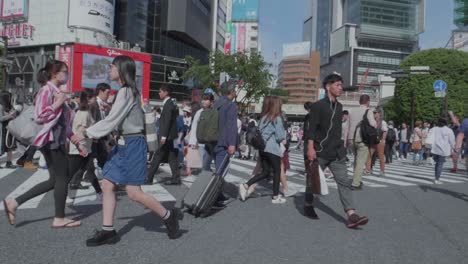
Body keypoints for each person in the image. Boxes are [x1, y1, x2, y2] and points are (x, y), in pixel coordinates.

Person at [71, 55, 181, 246]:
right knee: (107, 183)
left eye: (112, 66)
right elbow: (117, 119)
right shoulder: (126, 92)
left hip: (132, 144)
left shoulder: (126, 91)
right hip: (124, 143)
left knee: (133, 192)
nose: (109, 69)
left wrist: (86, 133)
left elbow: (111, 120)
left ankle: (168, 216)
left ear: (121, 70)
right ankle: (108, 231)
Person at [3, 60, 83, 228]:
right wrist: (57, 103)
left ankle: (14, 202)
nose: (66, 75)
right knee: (62, 178)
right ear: (55, 74)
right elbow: (40, 116)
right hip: (51, 140)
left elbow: (61, 122)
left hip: (57, 139)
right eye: (64, 71)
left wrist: (74, 138)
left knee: (54, 179)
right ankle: (59, 218)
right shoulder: (46, 91)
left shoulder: (56, 91)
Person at [304, 73, 368, 228]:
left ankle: (351, 215)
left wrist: (342, 147)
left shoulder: (339, 107)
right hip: (319, 151)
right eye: (338, 85)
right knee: (313, 181)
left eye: (341, 85)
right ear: (328, 86)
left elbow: (337, 130)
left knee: (344, 182)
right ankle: (308, 204)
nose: (340, 88)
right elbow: (311, 129)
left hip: (336, 152)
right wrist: (310, 148)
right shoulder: (318, 106)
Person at [238, 96, 287, 204]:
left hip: (262, 148)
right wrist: (283, 138)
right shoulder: (277, 118)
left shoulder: (263, 118)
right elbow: (279, 136)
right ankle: (275, 196)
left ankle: (246, 185)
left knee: (265, 172)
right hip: (272, 148)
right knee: (277, 171)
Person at [68, 89, 102, 198]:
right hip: (79, 149)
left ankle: (99, 192)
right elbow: (81, 129)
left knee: (90, 170)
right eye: (93, 98)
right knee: (70, 174)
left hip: (85, 147)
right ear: (87, 100)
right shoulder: (83, 113)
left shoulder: (86, 112)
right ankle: (62, 194)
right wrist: (91, 134)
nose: (95, 99)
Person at [211, 80, 238, 208]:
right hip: (223, 142)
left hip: (212, 140)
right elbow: (231, 125)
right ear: (231, 92)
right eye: (234, 90)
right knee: (221, 172)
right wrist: (232, 144)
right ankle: (213, 198)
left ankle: (219, 194)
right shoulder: (230, 105)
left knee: (216, 169)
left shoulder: (216, 103)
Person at [146, 85, 180, 185]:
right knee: (171, 157)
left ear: (166, 93)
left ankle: (149, 179)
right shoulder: (170, 103)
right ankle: (176, 178)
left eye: (160, 91)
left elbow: (167, 121)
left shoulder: (169, 104)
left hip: (166, 136)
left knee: (157, 156)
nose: (159, 93)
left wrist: (164, 136)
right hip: (169, 136)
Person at [346, 94, 376, 190]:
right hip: (362, 139)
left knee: (356, 159)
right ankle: (356, 183)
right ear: (368, 102)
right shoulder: (368, 111)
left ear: (359, 101)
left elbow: (347, 126)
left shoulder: (351, 111)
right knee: (360, 161)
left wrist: (346, 140)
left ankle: (356, 179)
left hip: (351, 139)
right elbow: (373, 124)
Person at [188, 93, 215, 172]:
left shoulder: (215, 112)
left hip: (212, 142)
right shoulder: (199, 112)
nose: (203, 101)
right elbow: (194, 127)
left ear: (211, 102)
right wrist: (193, 142)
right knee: (204, 164)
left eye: (206, 100)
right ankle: (208, 178)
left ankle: (211, 178)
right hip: (202, 143)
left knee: (206, 164)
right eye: (203, 99)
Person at [430, 118, 455, 184]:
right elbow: (452, 140)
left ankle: (436, 177)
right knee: (440, 164)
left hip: (435, 149)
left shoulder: (434, 129)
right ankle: (437, 179)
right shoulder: (449, 130)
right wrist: (454, 148)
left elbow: (429, 137)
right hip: (443, 149)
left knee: (437, 164)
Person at [366, 109, 387, 177]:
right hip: (372, 141)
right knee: (369, 156)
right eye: (374, 113)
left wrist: (383, 140)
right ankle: (368, 170)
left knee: (381, 157)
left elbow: (384, 131)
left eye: (375, 113)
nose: (374, 114)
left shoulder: (383, 122)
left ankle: (382, 171)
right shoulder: (372, 122)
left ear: (379, 114)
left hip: (379, 141)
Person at [0, 91, 18, 168]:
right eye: (9, 97)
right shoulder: (0, 106)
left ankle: (9, 162)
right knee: (1, 145)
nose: (10, 98)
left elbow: (14, 115)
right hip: (2, 130)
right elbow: (0, 118)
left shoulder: (10, 106)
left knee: (9, 146)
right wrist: (10, 116)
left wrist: (14, 114)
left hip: (9, 129)